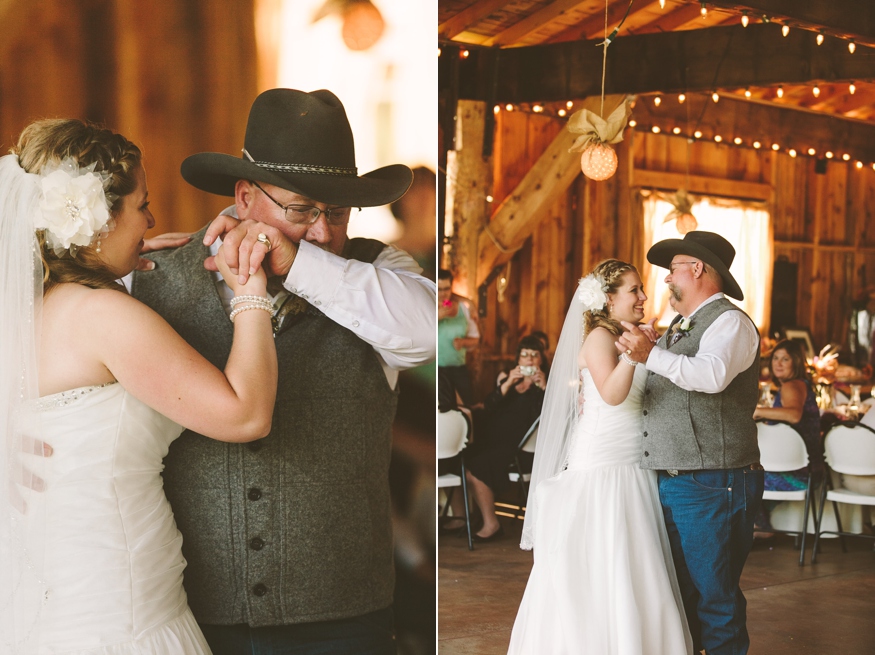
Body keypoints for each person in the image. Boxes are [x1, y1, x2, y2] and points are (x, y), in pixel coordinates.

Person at [131, 88, 435, 654]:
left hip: (345, 617)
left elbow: (423, 335)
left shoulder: (380, 269)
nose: (323, 232)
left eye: (337, 213)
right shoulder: (152, 278)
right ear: (244, 196)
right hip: (193, 613)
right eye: (301, 211)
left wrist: (296, 261)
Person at [0, 118, 278, 653]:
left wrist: (124, 267)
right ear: (99, 220)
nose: (152, 219)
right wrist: (249, 290)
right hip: (123, 614)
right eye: (141, 206)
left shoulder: (33, 311)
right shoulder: (103, 315)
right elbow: (246, 415)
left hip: (62, 606)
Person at [508, 260, 692, 654]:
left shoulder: (626, 334)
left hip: (633, 461)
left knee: (635, 565)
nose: (644, 297)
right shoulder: (598, 337)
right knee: (603, 560)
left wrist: (646, 348)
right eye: (634, 290)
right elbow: (611, 394)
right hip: (604, 463)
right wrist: (633, 355)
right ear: (609, 299)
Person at [617, 232, 763, 655]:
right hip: (674, 478)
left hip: (715, 480)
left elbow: (711, 376)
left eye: (672, 269)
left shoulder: (730, 322)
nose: (665, 280)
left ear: (697, 268)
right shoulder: (679, 329)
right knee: (680, 595)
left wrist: (650, 354)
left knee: (715, 599)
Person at [449, 335, 548, 542]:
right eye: (524, 355)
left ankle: (491, 524)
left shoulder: (547, 385)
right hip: (495, 440)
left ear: (541, 360)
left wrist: (544, 387)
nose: (529, 360)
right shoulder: (509, 380)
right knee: (458, 457)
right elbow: (489, 406)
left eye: (534, 355)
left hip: (520, 448)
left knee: (477, 466)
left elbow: (548, 418)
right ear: (518, 360)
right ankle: (463, 518)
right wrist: (507, 383)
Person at [752, 339, 822, 533]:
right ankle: (760, 524)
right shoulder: (798, 385)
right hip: (805, 471)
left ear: (796, 362)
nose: (778, 363)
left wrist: (758, 411)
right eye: (775, 358)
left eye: (785, 359)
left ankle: (760, 526)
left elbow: (793, 414)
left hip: (801, 474)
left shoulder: (792, 385)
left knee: (740, 477)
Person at [438, 268, 480, 406]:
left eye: (446, 289)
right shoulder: (428, 307)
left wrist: (463, 342)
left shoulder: (463, 308)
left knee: (466, 405)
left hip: (458, 367)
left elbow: (475, 337)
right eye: (439, 289)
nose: (443, 294)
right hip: (436, 370)